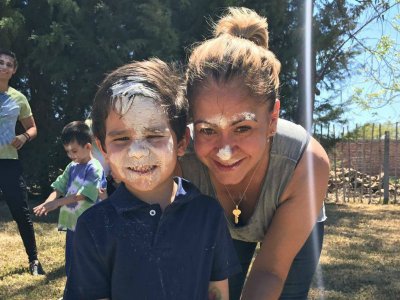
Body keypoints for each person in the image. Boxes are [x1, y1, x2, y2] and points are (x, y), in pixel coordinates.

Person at [178, 7, 330, 300]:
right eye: (207, 130)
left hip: (296, 220)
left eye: (243, 128)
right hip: (228, 231)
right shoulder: (182, 159)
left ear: (272, 120)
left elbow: (270, 271)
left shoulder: (307, 164)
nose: (224, 151)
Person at [63, 58, 240, 300]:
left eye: (154, 135)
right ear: (102, 148)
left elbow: (217, 291)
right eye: (121, 139)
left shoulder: (208, 215)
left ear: (181, 142)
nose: (137, 151)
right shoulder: (93, 227)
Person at [33, 121, 106, 276]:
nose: (71, 156)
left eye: (74, 151)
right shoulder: (72, 166)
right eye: (67, 152)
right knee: (72, 260)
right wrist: (47, 203)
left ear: (87, 147)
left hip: (89, 224)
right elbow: (59, 186)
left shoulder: (95, 168)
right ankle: (72, 292)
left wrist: (56, 203)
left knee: (87, 261)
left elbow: (84, 194)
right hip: (73, 223)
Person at [0, 49, 44, 275]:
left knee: (20, 211)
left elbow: (33, 128)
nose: (4, 66)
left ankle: (34, 260)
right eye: (1, 62)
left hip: (8, 161)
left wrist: (24, 136)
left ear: (14, 70)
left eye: (9, 64)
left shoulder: (19, 98)